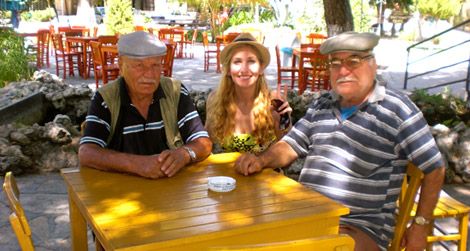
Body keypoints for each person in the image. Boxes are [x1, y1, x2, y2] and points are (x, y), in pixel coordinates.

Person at [233, 32, 445, 251]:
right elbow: (291, 144)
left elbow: (435, 169)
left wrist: (420, 225)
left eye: (353, 61)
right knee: (241, 236)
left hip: (357, 227)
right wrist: (261, 160)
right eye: (335, 63)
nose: (343, 71)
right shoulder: (323, 103)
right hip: (305, 214)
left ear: (373, 65)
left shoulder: (396, 110)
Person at [79, 31, 212, 179]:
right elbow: (87, 153)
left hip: (170, 189)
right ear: (121, 65)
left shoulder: (175, 92)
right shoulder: (106, 98)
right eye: (139, 65)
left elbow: (203, 142)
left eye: (155, 65)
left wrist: (185, 154)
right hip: (121, 192)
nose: (149, 75)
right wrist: (137, 164)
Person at [205, 33, 292, 154]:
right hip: (226, 173)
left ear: (261, 68)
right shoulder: (215, 100)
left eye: (251, 61)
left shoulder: (274, 101)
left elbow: (286, 155)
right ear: (229, 70)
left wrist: (282, 122)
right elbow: (205, 146)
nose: (244, 69)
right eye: (237, 62)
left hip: (267, 173)